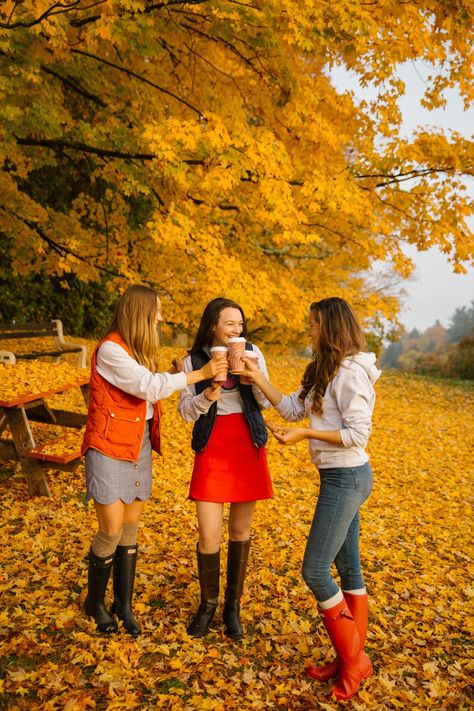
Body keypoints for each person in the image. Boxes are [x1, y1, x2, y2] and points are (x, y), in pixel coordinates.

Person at [241, 297, 380, 701]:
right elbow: (291, 409)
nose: (309, 331)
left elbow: (357, 435)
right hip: (339, 477)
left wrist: (307, 436)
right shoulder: (324, 369)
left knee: (315, 570)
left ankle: (355, 660)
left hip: (348, 477)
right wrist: (255, 377)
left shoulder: (352, 374)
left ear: (331, 327)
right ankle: (348, 655)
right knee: (348, 567)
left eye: (314, 324)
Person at [81, 285, 227, 636]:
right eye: (157, 311)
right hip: (108, 445)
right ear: (141, 313)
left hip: (138, 443)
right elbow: (148, 387)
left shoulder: (137, 351)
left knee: (130, 528)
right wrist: (198, 374)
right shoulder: (110, 350)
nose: (160, 317)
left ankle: (123, 604)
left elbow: (151, 387)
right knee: (112, 528)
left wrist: (178, 375)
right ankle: (95, 602)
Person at [178, 297, 273, 639]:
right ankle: (207, 605)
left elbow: (267, 400)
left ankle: (232, 607)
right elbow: (185, 411)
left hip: (247, 443)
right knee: (208, 533)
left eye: (239, 324)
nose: (237, 330)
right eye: (230, 324)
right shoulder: (194, 360)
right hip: (213, 444)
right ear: (214, 326)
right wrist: (208, 394)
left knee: (240, 532)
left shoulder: (253, 352)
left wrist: (253, 379)